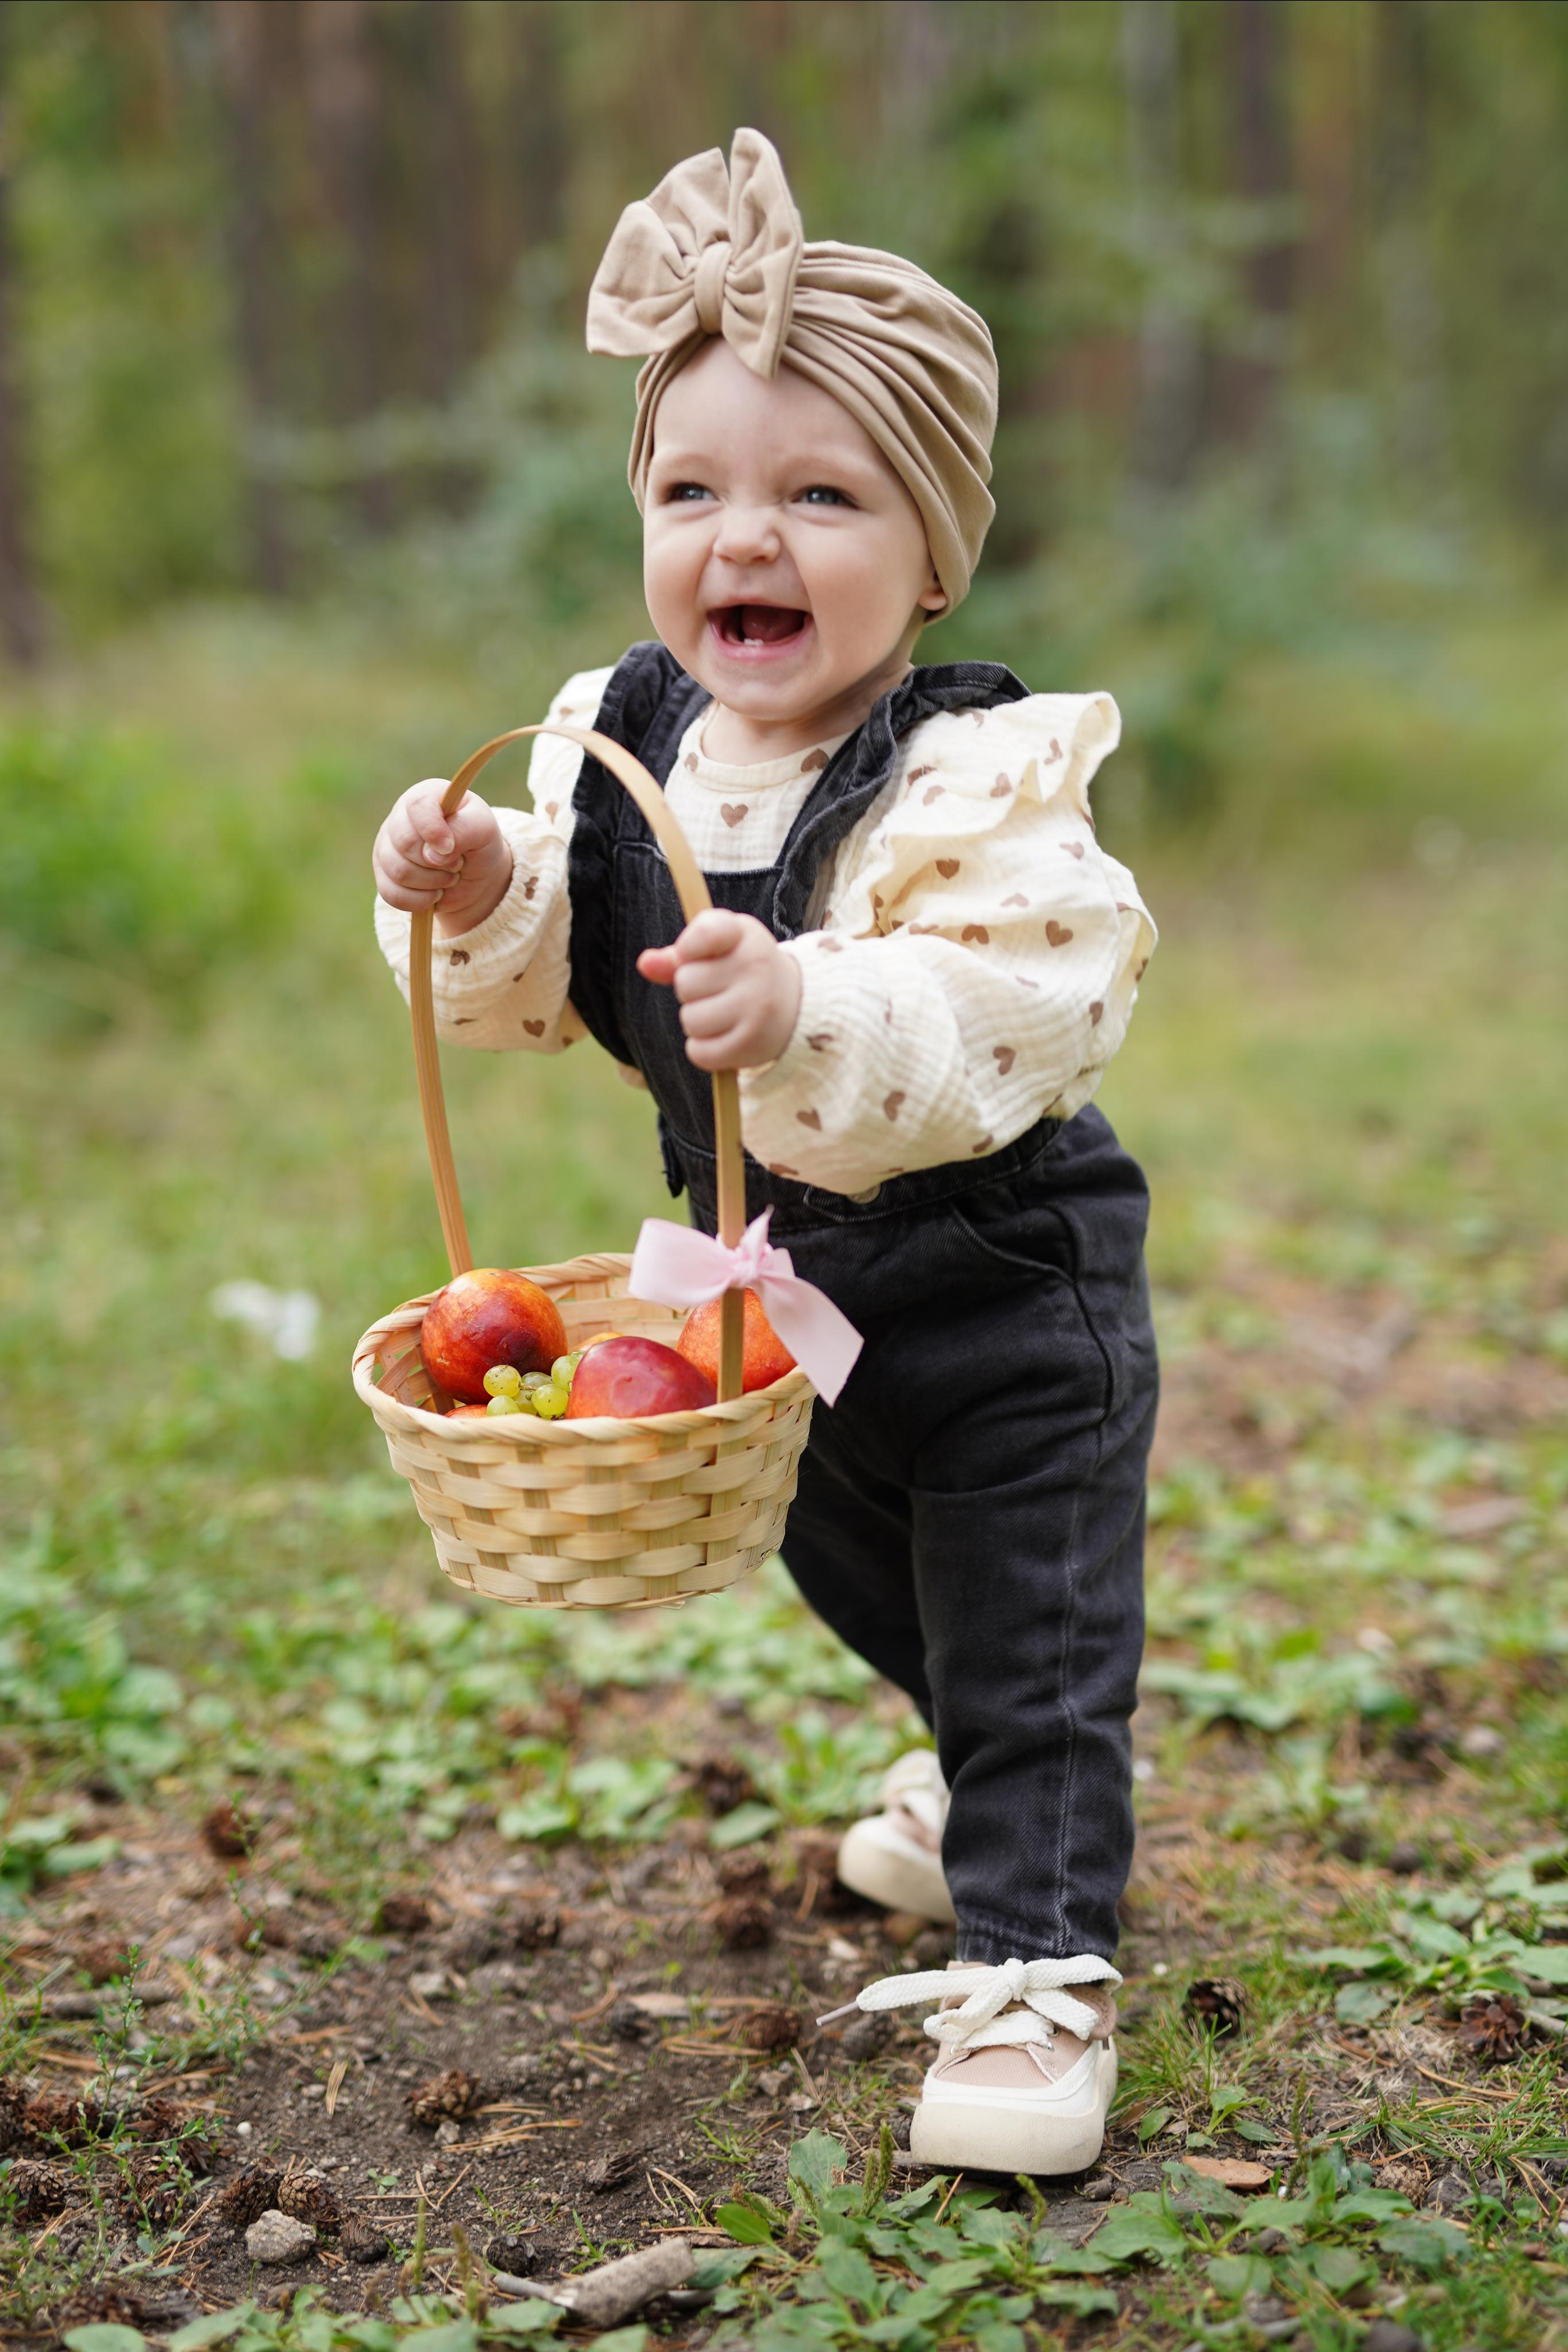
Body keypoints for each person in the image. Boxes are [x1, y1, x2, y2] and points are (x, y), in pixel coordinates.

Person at [373, 130, 1158, 2176]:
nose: (751, 538)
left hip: (995, 1283)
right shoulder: (616, 735)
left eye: (824, 496)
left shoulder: (977, 771)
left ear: (933, 550)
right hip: (764, 1296)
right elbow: (546, 959)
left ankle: (1035, 1975)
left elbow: (1025, 998)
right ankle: (983, 1774)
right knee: (855, 1566)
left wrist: (818, 1006)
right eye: (694, 490)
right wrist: (472, 888)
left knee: (1025, 1612)